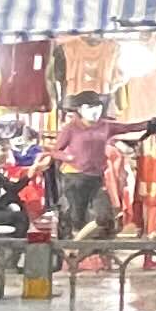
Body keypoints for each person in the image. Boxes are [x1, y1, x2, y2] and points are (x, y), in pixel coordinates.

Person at [52, 93, 118, 245]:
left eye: (97, 107)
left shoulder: (102, 128)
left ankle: (76, 245)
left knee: (103, 216)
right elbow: (56, 151)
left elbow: (127, 129)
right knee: (75, 217)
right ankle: (73, 246)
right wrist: (69, 158)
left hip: (95, 177)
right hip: (73, 178)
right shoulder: (70, 129)